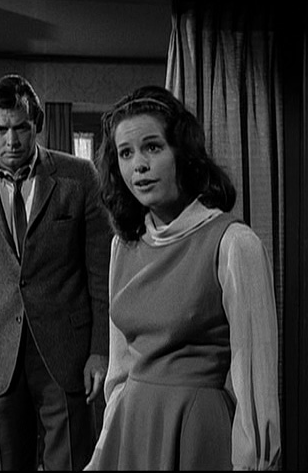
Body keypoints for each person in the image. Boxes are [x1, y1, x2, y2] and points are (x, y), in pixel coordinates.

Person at [85, 85, 281, 470]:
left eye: (152, 147)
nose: (139, 165)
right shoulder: (123, 246)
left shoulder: (234, 244)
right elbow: (120, 372)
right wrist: (104, 450)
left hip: (196, 431)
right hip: (132, 427)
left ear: (182, 153)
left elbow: (254, 381)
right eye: (126, 153)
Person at [0, 74, 112, 471]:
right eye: (0, 129)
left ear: (38, 123)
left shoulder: (78, 177)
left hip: (67, 355)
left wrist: (100, 350)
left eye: (21, 127)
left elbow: (101, 275)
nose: (12, 140)